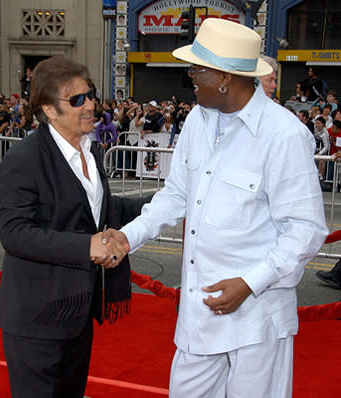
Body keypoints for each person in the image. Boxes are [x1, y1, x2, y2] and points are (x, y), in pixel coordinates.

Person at [102, 18, 328, 398]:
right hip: (199, 315)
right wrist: (127, 237)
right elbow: (175, 196)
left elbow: (305, 230)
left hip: (257, 320)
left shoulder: (284, 135)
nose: (190, 76)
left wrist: (249, 283)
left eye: (197, 69)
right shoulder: (196, 122)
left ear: (225, 76)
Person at [0, 56, 150, 398]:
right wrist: (86, 246)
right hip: (37, 319)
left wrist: (165, 203)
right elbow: (15, 233)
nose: (90, 105)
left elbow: (105, 211)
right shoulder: (24, 159)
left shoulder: (90, 151)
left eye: (90, 94)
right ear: (49, 110)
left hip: (77, 312)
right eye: (77, 99)